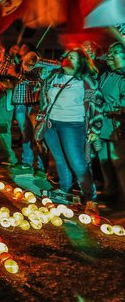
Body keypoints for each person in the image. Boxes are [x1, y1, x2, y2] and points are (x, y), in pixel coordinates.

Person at [41, 47, 103, 214]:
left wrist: (95, 128)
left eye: (73, 57)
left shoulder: (86, 81)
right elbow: (44, 97)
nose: (69, 59)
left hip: (73, 125)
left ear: (81, 62)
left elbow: (97, 105)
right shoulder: (54, 76)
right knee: (59, 159)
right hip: (51, 124)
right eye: (68, 56)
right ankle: (64, 188)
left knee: (77, 162)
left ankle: (91, 198)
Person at [11, 45, 49, 177]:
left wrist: (17, 75)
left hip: (34, 104)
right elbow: (3, 70)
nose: (22, 54)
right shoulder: (17, 64)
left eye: (24, 52)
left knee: (38, 137)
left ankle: (41, 166)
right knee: (26, 135)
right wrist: (10, 55)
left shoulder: (39, 65)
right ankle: (26, 161)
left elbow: (37, 81)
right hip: (20, 104)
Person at [97, 42, 125, 205]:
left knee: (119, 163)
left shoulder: (123, 77)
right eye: (109, 51)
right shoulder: (106, 73)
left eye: (114, 52)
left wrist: (103, 107)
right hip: (102, 125)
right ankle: (110, 191)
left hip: (117, 127)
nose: (109, 55)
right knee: (104, 160)